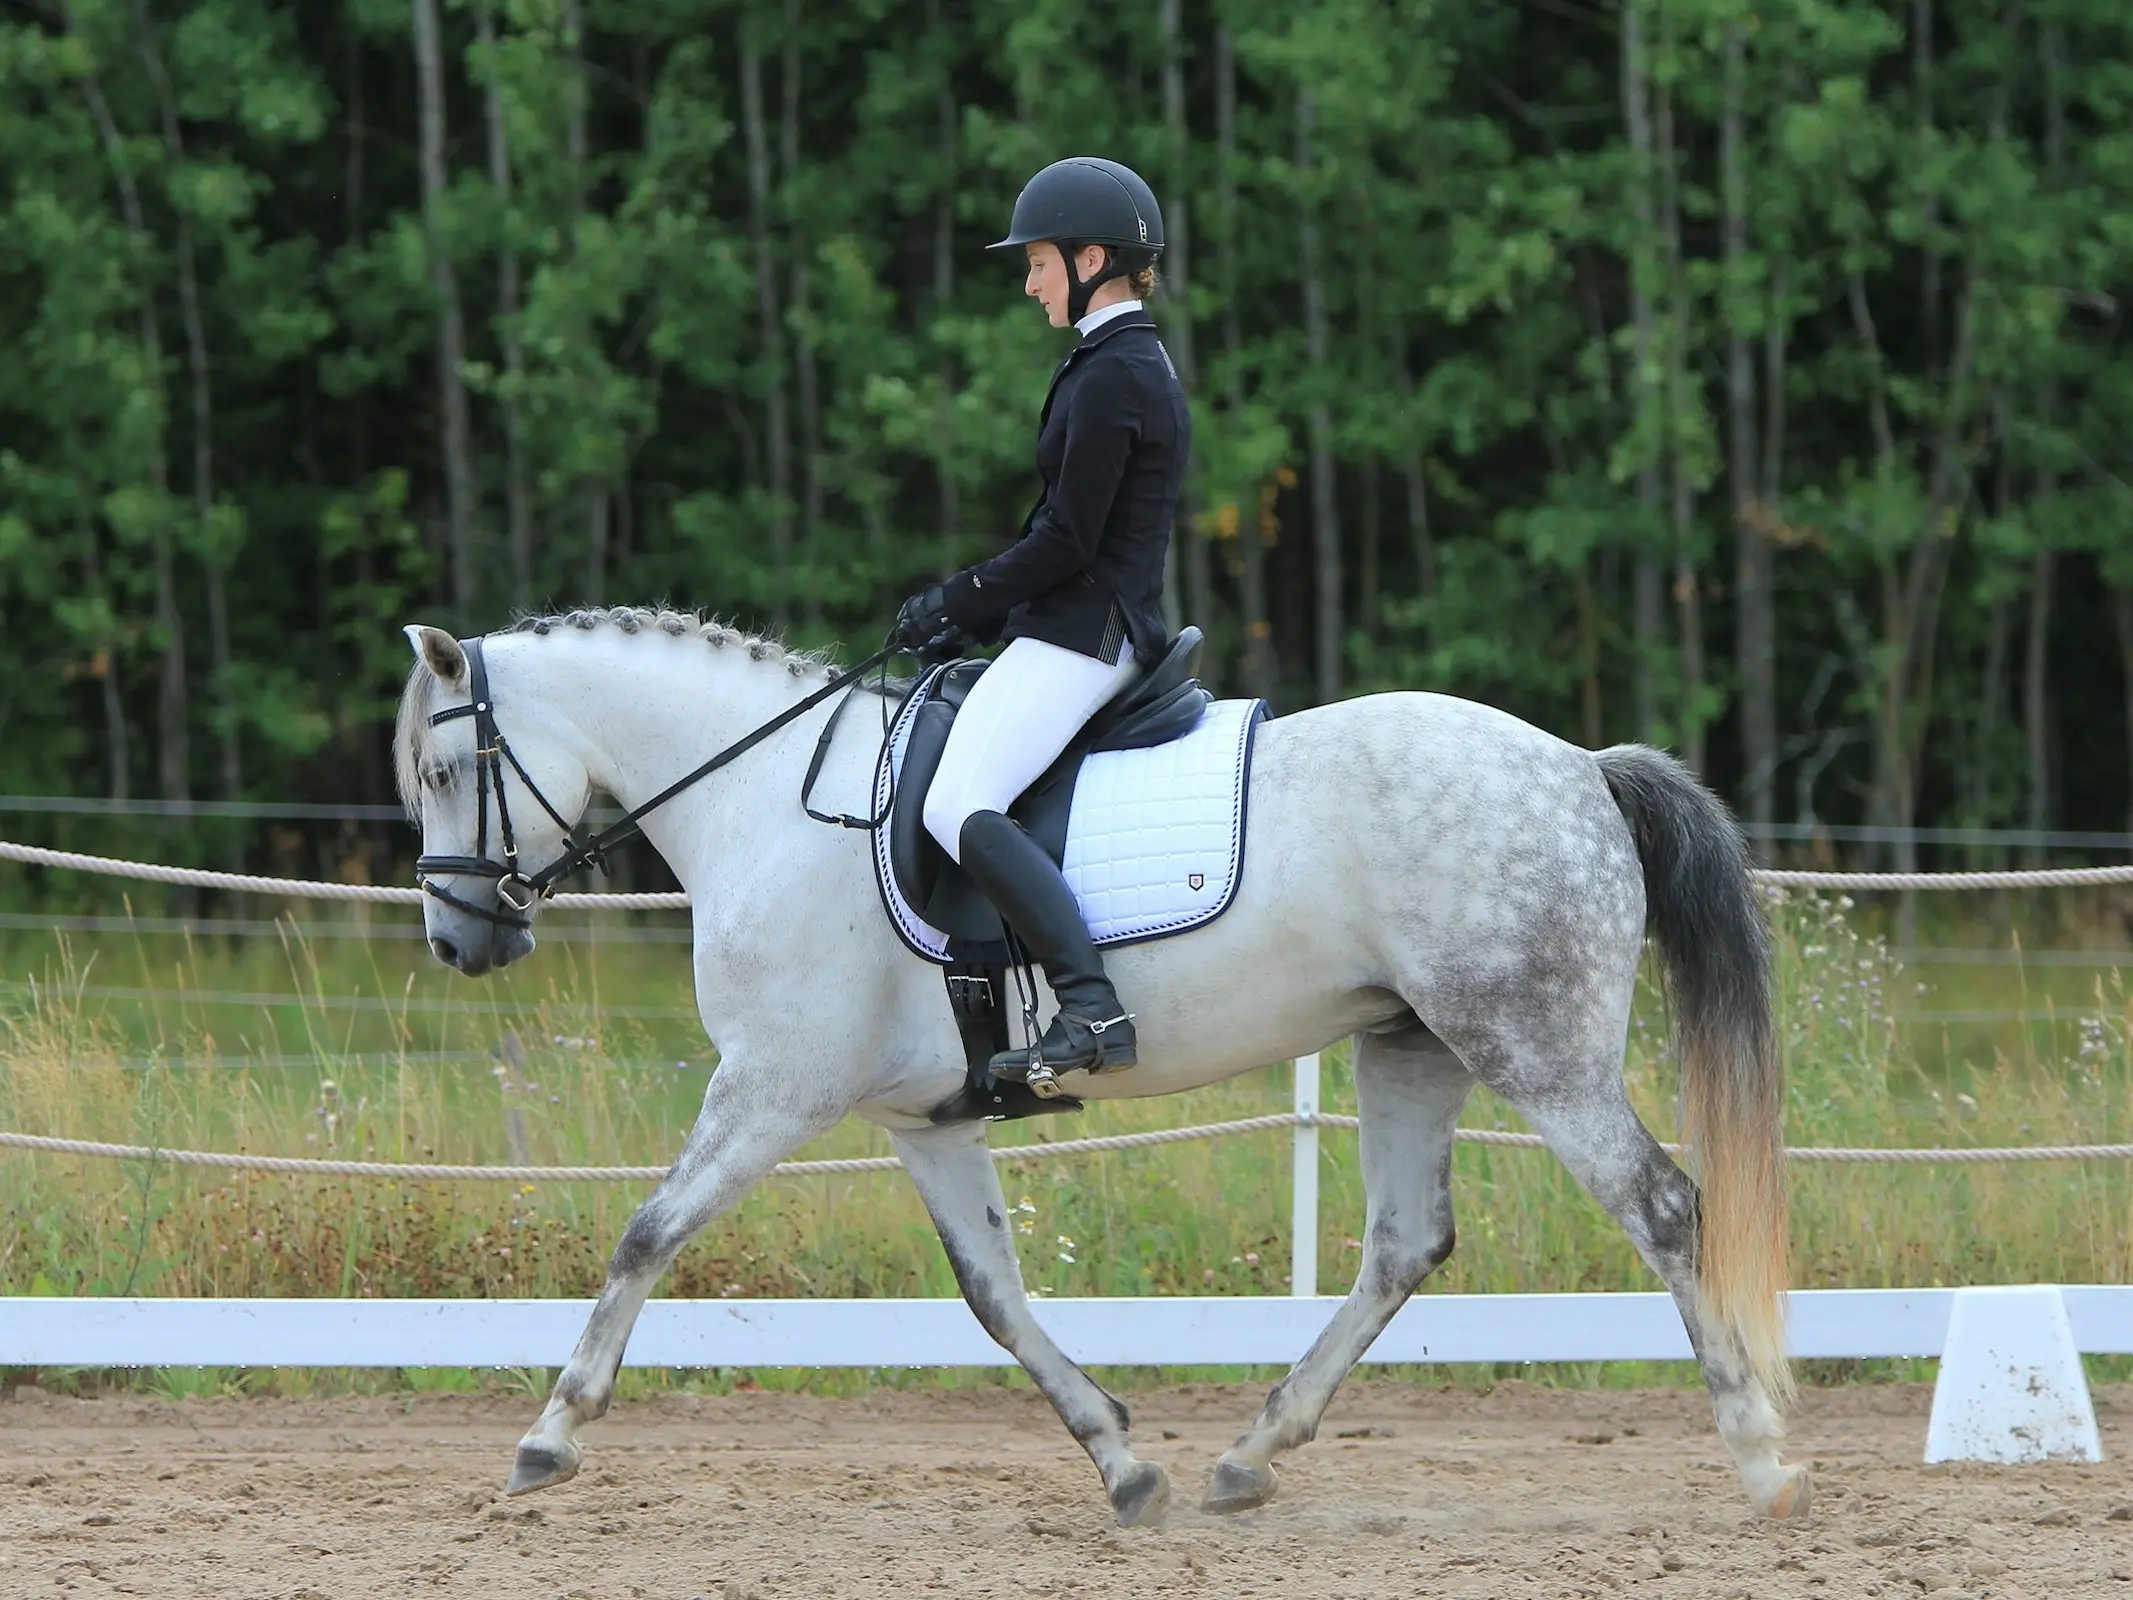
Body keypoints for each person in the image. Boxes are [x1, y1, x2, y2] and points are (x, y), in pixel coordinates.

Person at [891, 155, 1191, 1084]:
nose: (1028, 284)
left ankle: (1090, 1006)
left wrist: (959, 599)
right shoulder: (1111, 363)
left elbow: (1067, 537)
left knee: (953, 802)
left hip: (1087, 635)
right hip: (1068, 621)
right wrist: (983, 617)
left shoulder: (1116, 375)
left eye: (1038, 264)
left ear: (1092, 257)